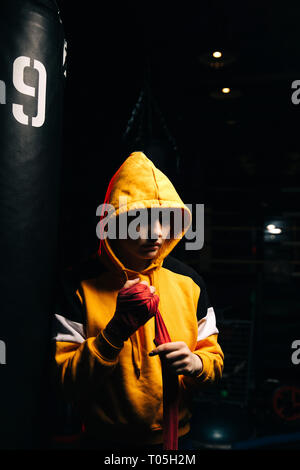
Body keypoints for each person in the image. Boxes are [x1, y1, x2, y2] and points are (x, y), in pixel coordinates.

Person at [52, 151, 224, 450]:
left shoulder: (189, 283)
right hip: (102, 443)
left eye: (165, 220)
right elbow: (65, 382)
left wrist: (195, 363)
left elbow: (214, 362)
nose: (156, 234)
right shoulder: (78, 284)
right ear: (114, 222)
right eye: (139, 221)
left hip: (176, 439)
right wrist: (115, 333)